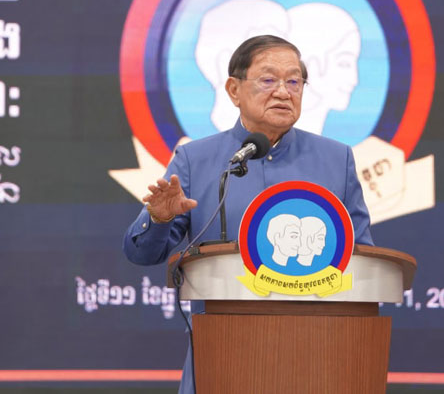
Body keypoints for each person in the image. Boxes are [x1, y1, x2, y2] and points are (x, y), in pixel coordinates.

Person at [123, 34, 373, 394]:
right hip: (223, 357)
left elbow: (363, 262)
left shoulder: (337, 160)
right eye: (268, 80)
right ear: (233, 89)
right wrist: (159, 218)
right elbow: (141, 253)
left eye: (294, 81)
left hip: (318, 355)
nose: (284, 92)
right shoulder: (195, 160)